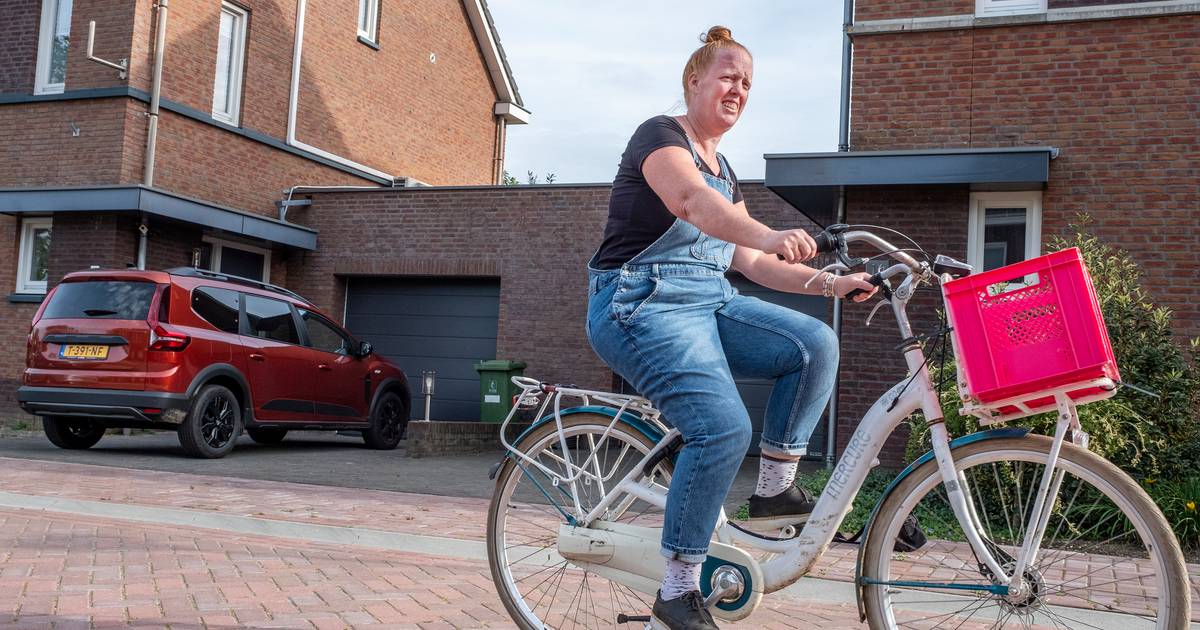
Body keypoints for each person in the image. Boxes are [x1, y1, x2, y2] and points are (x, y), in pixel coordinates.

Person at [585, 26, 879, 630]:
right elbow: (693, 205)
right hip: (641, 302)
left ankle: (774, 490)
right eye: (728, 75)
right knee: (721, 427)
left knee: (814, 343)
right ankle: (677, 588)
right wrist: (767, 231)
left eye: (747, 82)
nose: (738, 89)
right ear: (694, 80)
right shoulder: (660, 137)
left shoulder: (727, 171)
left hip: (708, 301)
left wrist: (832, 282)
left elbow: (751, 262)